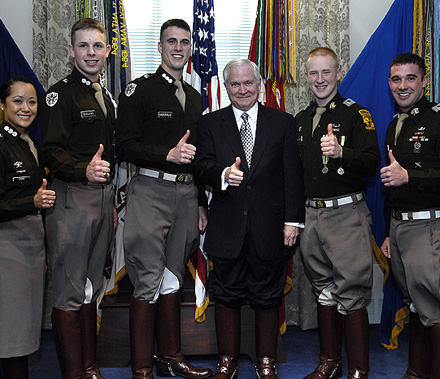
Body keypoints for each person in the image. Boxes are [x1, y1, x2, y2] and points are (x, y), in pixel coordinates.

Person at [194, 58, 305, 379]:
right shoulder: (211, 124)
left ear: (259, 85)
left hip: (270, 229)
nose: (242, 89)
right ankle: (226, 361)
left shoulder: (283, 122)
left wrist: (293, 221)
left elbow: (292, 178)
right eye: (235, 84)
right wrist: (223, 174)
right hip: (226, 228)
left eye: (248, 83)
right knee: (226, 296)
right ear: (225, 87)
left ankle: (266, 361)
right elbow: (200, 167)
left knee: (268, 297)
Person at [115, 19, 212, 379]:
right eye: (171, 41)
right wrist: (164, 155)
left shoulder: (194, 96)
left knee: (172, 276)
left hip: (186, 194)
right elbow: (124, 146)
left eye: (185, 42)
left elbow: (198, 155)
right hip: (150, 191)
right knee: (146, 279)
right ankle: (142, 368)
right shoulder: (138, 91)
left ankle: (170, 357)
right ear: (159, 47)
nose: (178, 47)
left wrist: (201, 201)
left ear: (190, 49)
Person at [295, 47, 381, 379]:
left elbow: (373, 164)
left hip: (346, 215)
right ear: (306, 77)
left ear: (339, 72)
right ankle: (329, 362)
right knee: (324, 291)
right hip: (312, 217)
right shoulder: (301, 120)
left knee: (352, 293)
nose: (320, 80)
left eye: (326, 72)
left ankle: (359, 369)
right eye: (313, 73)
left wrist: (343, 152)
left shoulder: (356, 114)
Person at [39, 18, 115, 379]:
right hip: (71, 198)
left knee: (91, 288)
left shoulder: (107, 96)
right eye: (83, 46)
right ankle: (74, 373)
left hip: (101, 199)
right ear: (71, 51)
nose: (91, 53)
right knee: (70, 291)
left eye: (97, 46)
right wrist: (82, 169)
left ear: (108, 51)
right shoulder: (60, 94)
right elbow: (49, 152)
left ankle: (89, 366)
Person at [380, 53, 440, 379]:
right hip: (401, 228)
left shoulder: (437, 119)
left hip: (429, 227)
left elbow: (407, 176)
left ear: (425, 81)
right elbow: (391, 184)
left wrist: (411, 177)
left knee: (434, 306)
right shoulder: (394, 124)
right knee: (416, 305)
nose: (402, 86)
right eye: (396, 79)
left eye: (410, 78)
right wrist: (389, 231)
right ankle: (416, 372)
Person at [0, 76, 55, 378]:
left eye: (32, 101)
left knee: (24, 330)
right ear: (2, 104)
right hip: (8, 248)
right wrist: (31, 202)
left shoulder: (30, 142)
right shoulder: (2, 145)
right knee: (12, 335)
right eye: (17, 101)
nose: (26, 108)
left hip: (31, 245)